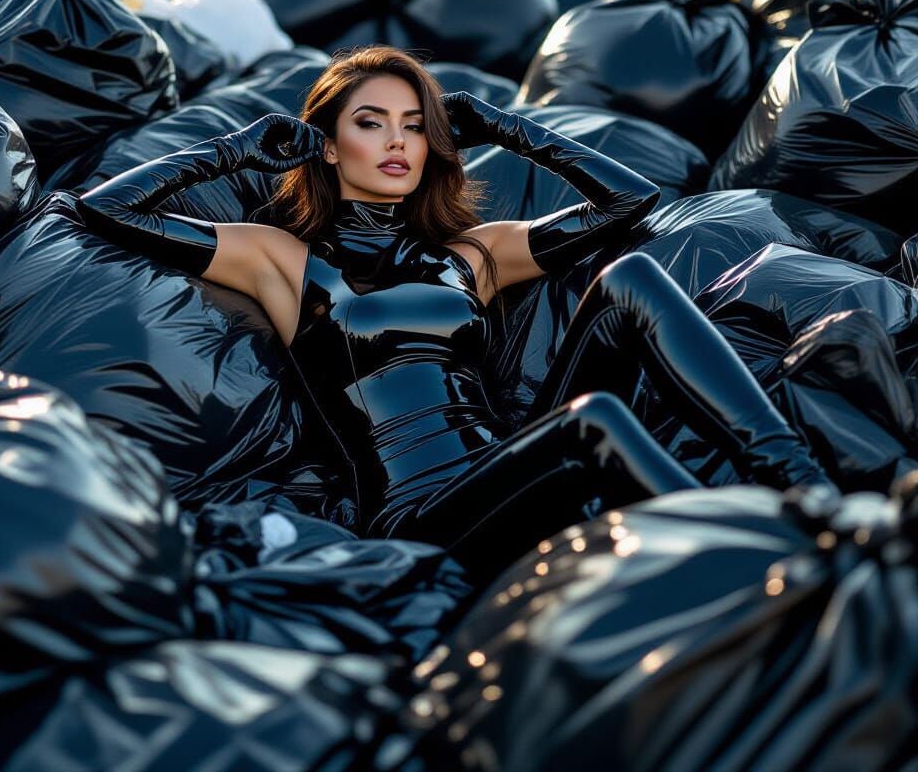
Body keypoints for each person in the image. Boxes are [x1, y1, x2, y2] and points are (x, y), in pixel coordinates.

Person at [78, 46, 833, 566]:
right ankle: (748, 550)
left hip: (517, 462)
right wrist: (236, 148)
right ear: (328, 146)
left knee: (631, 277)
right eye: (370, 123)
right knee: (594, 423)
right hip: (421, 513)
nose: (398, 142)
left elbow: (631, 200)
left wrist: (509, 127)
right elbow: (106, 209)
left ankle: (802, 487)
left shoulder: (472, 254)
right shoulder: (282, 259)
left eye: (415, 125)